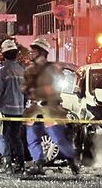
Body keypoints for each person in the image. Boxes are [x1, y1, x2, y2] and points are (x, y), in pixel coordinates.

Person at [23, 38, 79, 176]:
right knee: (32, 138)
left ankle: (71, 160)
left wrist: (39, 91)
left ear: (42, 52)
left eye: (34, 50)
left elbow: (55, 89)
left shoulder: (53, 69)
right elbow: (24, 88)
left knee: (57, 137)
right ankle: (38, 162)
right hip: (35, 110)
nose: (32, 53)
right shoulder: (30, 70)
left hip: (50, 110)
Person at [0, 39, 26, 174]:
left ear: (3, 54)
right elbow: (26, 93)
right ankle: (20, 164)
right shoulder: (21, 71)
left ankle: (7, 164)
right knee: (16, 138)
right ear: (16, 54)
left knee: (2, 136)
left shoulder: (3, 72)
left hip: (4, 111)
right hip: (18, 111)